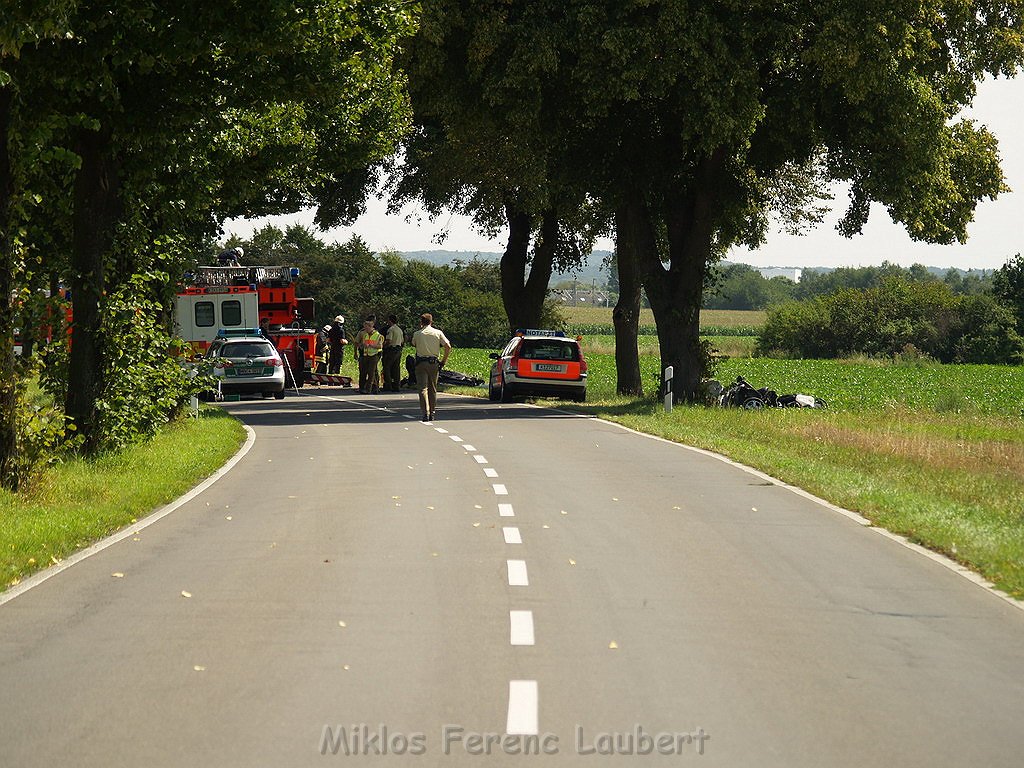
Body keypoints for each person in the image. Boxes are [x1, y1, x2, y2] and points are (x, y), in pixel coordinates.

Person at [410, 312, 451, 421]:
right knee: (432, 389)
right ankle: (432, 412)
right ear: (431, 322)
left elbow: (413, 344)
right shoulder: (438, 333)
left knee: (423, 388)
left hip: (420, 363)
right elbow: (448, 346)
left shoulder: (417, 334)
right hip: (433, 363)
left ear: (421, 322)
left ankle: (425, 413)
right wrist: (443, 360)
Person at [355, 315, 384, 394]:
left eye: (367, 328)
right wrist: (362, 346)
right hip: (366, 355)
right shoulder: (365, 334)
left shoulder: (378, 335)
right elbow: (360, 343)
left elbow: (380, 346)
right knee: (364, 371)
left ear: (371, 327)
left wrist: (370, 346)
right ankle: (364, 388)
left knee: (371, 372)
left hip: (374, 355)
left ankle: (369, 389)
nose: (365, 330)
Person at [382, 314, 404, 393]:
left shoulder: (391, 329)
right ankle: (397, 386)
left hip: (391, 350)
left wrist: (383, 346)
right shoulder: (399, 330)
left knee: (386, 367)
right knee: (396, 368)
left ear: (390, 320)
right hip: (398, 349)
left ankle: (388, 385)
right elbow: (402, 341)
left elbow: (389, 341)